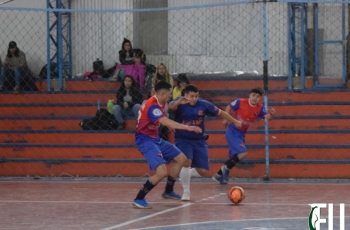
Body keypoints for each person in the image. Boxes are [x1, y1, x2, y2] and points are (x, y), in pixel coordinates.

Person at [133, 81, 202, 209]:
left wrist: (170, 126)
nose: (170, 96)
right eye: (169, 94)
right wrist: (188, 127)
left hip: (155, 138)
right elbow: (164, 120)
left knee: (182, 159)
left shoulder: (161, 102)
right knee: (161, 172)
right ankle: (139, 198)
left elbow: (164, 115)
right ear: (163, 94)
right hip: (145, 140)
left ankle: (168, 190)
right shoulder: (151, 106)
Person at [168, 84, 242, 201]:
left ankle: (185, 174)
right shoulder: (179, 103)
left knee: (203, 171)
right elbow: (169, 107)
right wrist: (177, 103)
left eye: (196, 96)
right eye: (191, 96)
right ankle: (186, 192)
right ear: (185, 95)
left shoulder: (203, 104)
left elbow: (221, 112)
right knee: (187, 161)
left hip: (199, 140)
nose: (194, 98)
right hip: (183, 138)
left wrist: (234, 121)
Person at [212, 87, 276, 184]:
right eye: (253, 95)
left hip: (241, 134)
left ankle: (219, 174)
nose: (255, 98)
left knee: (234, 157)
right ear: (249, 95)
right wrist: (226, 119)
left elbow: (267, 117)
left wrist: (271, 114)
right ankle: (224, 170)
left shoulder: (260, 108)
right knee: (243, 153)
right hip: (232, 131)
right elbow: (229, 107)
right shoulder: (240, 102)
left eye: (258, 97)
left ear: (260, 99)